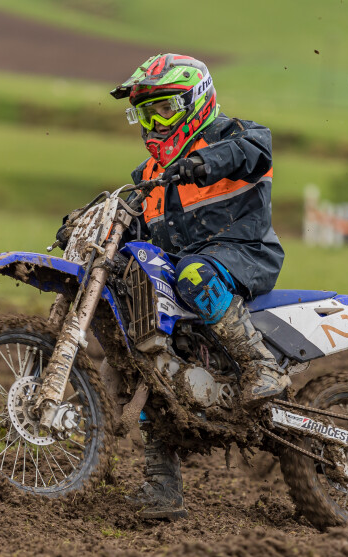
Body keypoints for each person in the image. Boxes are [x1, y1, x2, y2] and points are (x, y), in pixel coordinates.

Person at [109, 53, 290, 519]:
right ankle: (162, 486)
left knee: (193, 271)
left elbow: (255, 153)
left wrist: (201, 163)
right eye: (146, 114)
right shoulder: (149, 175)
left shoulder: (237, 136)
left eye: (164, 110)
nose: (154, 124)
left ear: (196, 101)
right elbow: (135, 228)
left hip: (243, 254)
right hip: (183, 269)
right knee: (145, 357)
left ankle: (261, 365)